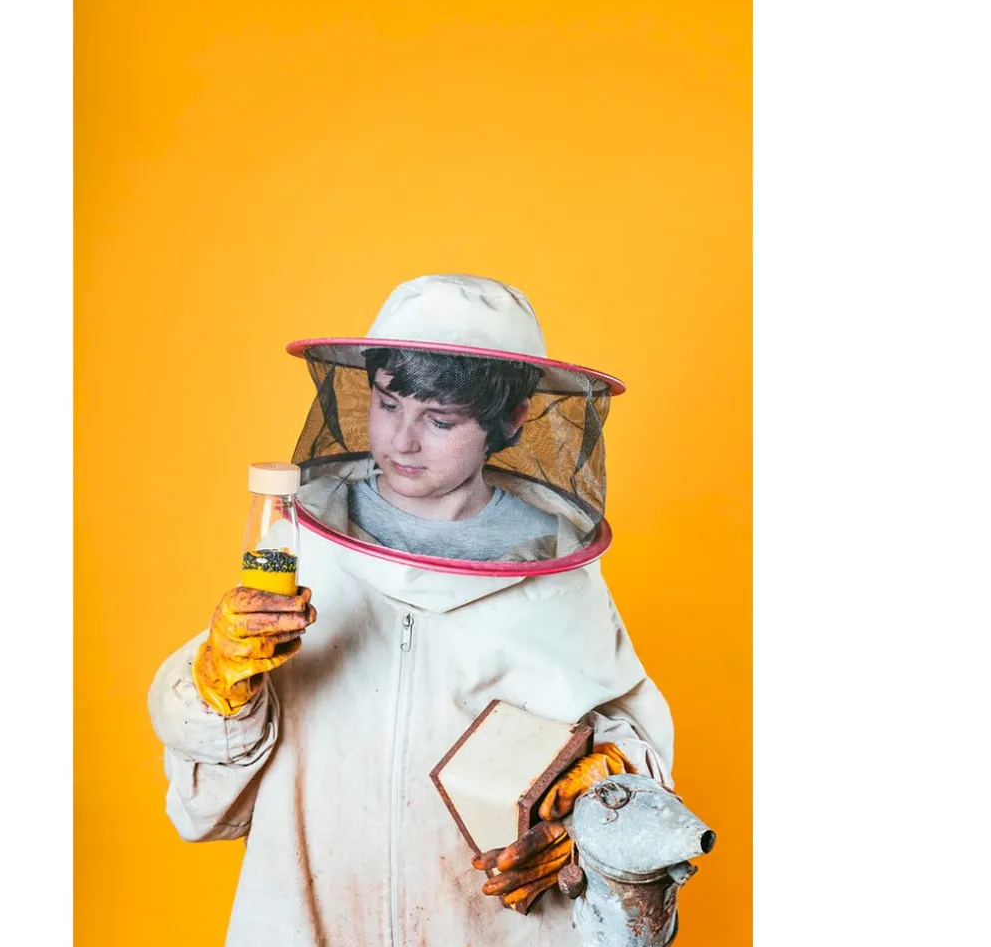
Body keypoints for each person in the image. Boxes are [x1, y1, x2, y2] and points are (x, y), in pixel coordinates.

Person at [148, 274, 674, 945]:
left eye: (440, 420)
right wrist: (220, 684)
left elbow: (631, 758)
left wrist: (597, 803)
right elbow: (207, 803)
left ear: (511, 420)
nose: (401, 440)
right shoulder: (301, 545)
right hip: (307, 918)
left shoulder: (557, 573)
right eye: (388, 402)